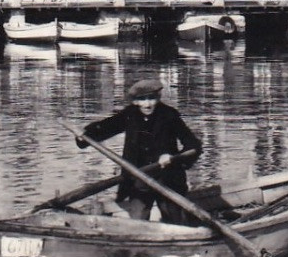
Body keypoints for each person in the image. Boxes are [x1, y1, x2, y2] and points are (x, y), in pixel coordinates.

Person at [78, 79, 202, 224]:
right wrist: (84, 135)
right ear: (135, 102)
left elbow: (194, 145)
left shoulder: (169, 115)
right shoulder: (129, 115)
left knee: (174, 221)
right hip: (138, 180)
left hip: (168, 179)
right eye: (142, 100)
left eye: (151, 99)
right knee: (137, 220)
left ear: (158, 98)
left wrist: (173, 157)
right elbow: (106, 127)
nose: (147, 104)